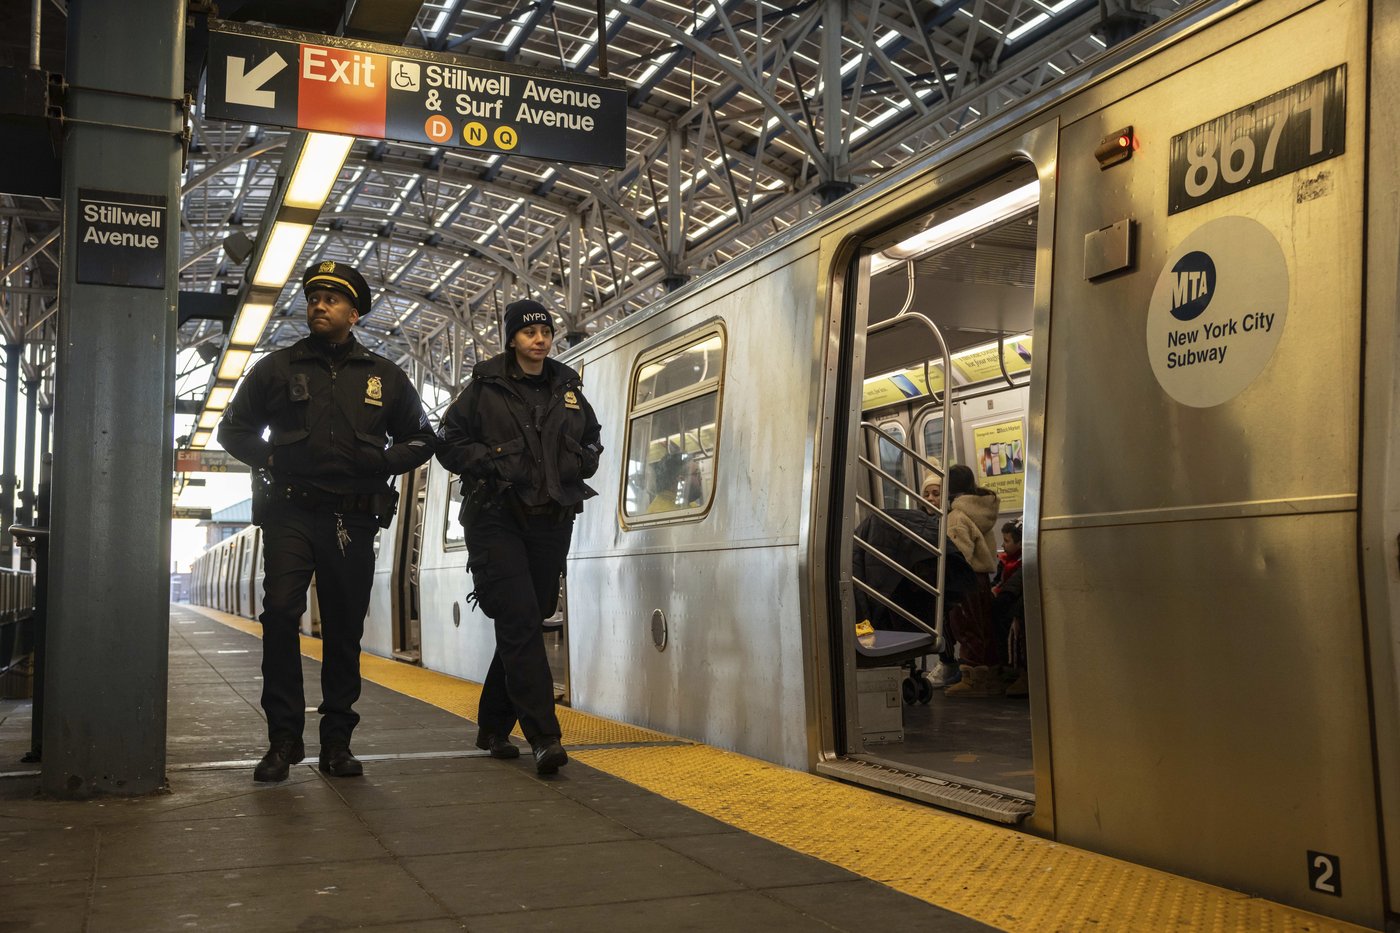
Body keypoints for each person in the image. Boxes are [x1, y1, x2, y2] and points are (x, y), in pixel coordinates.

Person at [219, 260, 437, 782]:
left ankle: (337, 742)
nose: (319, 305)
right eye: (314, 296)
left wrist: (384, 462)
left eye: (332, 299)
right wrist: (270, 458)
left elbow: (424, 438)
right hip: (291, 511)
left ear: (354, 313)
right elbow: (234, 429)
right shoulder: (276, 369)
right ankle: (283, 739)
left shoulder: (384, 376)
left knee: (343, 629)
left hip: (352, 518)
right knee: (278, 615)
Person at [437, 298, 603, 774]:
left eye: (546, 331)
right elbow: (447, 441)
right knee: (521, 617)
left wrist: (583, 460)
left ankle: (491, 725)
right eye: (530, 332)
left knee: (527, 620)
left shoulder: (567, 388)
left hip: (551, 517)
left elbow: (592, 435)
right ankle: (543, 736)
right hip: (496, 518)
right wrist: (488, 464)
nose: (540, 338)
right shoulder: (484, 388)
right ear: (512, 339)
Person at [940, 464, 1005, 697]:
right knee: (983, 625)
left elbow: (958, 554)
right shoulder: (980, 511)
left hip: (963, 578)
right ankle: (990, 676)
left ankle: (973, 677)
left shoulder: (957, 516)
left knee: (965, 626)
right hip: (981, 578)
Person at [992, 519, 1028, 697]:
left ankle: (1023, 673)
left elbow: (1014, 585)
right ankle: (1008, 667)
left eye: (1007, 541)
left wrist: (1002, 594)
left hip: (1014, 603)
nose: (1003, 545)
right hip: (1006, 600)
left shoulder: (1025, 562)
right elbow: (999, 580)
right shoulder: (1005, 561)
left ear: (1020, 543)